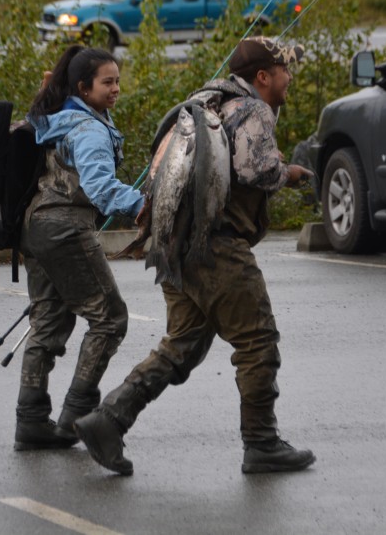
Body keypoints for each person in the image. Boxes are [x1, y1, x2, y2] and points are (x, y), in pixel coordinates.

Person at [74, 36, 316, 474]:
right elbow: (256, 170)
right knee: (257, 338)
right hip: (216, 246)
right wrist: (291, 172)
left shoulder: (204, 104)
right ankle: (261, 442)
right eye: (285, 69)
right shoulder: (254, 110)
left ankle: (108, 420)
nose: (289, 77)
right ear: (262, 76)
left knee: (182, 344)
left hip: (175, 245)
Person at [13, 45, 145, 451]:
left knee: (49, 322)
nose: (116, 88)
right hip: (66, 227)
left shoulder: (59, 117)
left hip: (35, 227)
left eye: (118, 81)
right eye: (107, 82)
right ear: (83, 87)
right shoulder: (88, 129)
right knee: (110, 319)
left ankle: (31, 420)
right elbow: (100, 188)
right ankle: (77, 415)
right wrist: (144, 205)